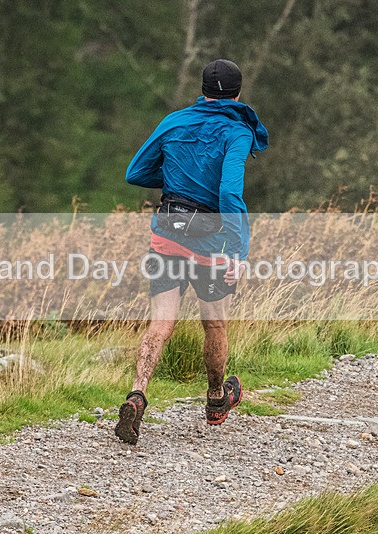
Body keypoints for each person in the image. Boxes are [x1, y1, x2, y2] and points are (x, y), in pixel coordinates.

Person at [114, 59, 268, 445]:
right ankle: (216, 399)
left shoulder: (174, 122)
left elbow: (135, 172)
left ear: (203, 90)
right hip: (211, 245)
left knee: (160, 324)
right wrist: (238, 251)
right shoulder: (237, 131)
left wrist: (175, 181)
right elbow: (229, 192)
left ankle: (137, 394)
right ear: (238, 93)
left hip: (167, 234)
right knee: (214, 324)